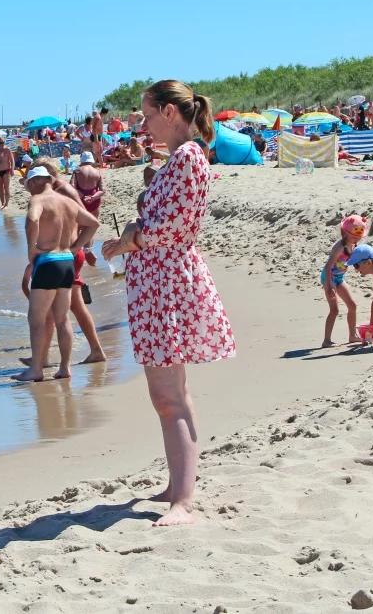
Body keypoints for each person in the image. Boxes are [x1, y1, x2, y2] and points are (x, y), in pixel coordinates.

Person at [101, 80, 236, 526]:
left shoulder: (187, 157)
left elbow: (175, 226)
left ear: (170, 113)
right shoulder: (181, 158)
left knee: (167, 397)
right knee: (172, 394)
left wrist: (125, 242)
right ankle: (179, 487)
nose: (143, 123)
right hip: (159, 284)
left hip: (165, 286)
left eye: (147, 114)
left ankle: (183, 502)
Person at [19, 158, 107, 370]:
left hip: (57, 254)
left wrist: (33, 250)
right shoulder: (61, 194)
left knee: (47, 313)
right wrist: (76, 247)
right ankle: (53, 361)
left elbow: (33, 220)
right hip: (66, 255)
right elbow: (92, 221)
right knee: (62, 313)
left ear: (36, 181)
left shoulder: (52, 195)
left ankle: (42, 364)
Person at [321, 215, 367, 347]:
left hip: (339, 277)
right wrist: (329, 286)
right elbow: (328, 266)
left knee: (352, 306)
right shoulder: (340, 247)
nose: (356, 238)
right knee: (334, 310)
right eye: (353, 235)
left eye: (359, 236)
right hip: (329, 277)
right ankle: (326, 340)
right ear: (345, 233)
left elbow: (351, 262)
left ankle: (352, 336)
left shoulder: (353, 245)